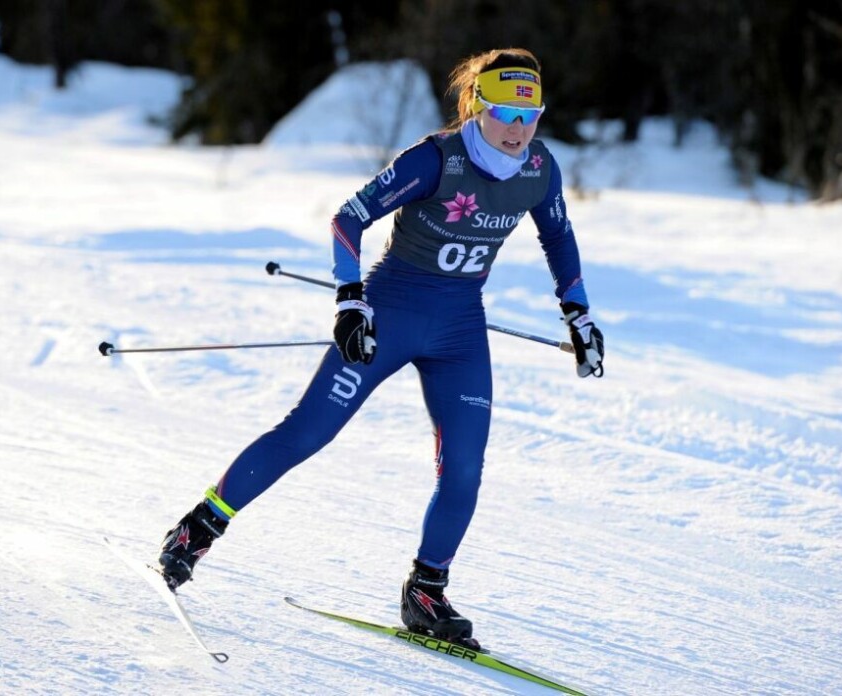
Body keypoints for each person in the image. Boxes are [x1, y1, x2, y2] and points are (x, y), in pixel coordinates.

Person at [157, 47, 604, 650]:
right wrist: (350, 301)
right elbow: (349, 219)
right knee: (308, 433)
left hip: (459, 332)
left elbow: (560, 237)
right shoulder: (434, 160)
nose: (519, 129)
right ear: (478, 107)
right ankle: (198, 529)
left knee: (465, 469)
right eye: (505, 114)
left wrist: (577, 313)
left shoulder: (539, 169)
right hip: (389, 315)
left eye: (532, 115)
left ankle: (426, 592)